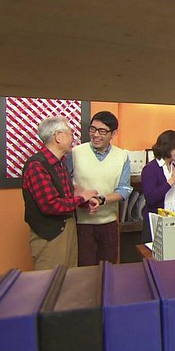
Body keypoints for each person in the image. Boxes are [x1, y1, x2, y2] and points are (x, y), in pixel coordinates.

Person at [22, 116, 98, 270]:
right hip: (50, 237)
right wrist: (82, 197)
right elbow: (50, 205)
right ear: (58, 136)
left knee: (69, 278)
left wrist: (84, 202)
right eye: (70, 133)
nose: (73, 138)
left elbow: (66, 197)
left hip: (68, 230)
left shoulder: (60, 163)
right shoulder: (36, 166)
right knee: (50, 280)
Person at [66, 111, 132, 266]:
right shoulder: (75, 153)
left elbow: (124, 189)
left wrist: (101, 200)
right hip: (81, 224)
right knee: (84, 270)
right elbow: (65, 183)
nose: (95, 135)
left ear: (113, 133)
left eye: (102, 131)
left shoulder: (122, 156)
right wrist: (83, 196)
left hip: (109, 224)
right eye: (92, 129)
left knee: (108, 269)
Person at [141, 129, 175, 242]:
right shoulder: (150, 169)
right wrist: (170, 182)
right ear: (167, 147)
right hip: (157, 223)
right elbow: (151, 199)